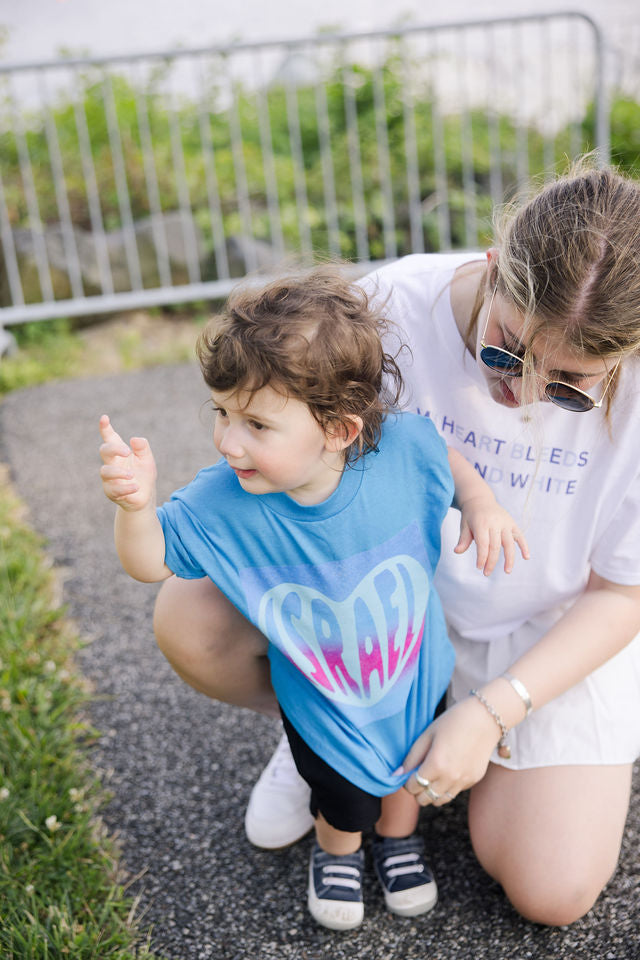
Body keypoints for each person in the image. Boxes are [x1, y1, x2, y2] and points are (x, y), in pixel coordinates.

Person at [149, 160, 640, 927]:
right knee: (191, 617)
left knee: (554, 892)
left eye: (574, 385)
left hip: (554, 622)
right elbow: (285, 446)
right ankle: (326, 727)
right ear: (490, 265)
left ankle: (429, 745)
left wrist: (493, 710)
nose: (526, 396)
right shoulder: (387, 308)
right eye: (507, 352)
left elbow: (623, 592)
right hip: (381, 605)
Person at [98, 269, 528, 931]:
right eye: (221, 413)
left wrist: (483, 504)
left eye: (256, 424)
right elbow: (149, 561)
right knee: (339, 794)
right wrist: (134, 506)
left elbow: (444, 458)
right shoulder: (225, 498)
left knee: (409, 770)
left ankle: (399, 839)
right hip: (321, 698)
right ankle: (338, 853)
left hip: (413, 670)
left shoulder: (402, 453)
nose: (226, 441)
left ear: (338, 431)